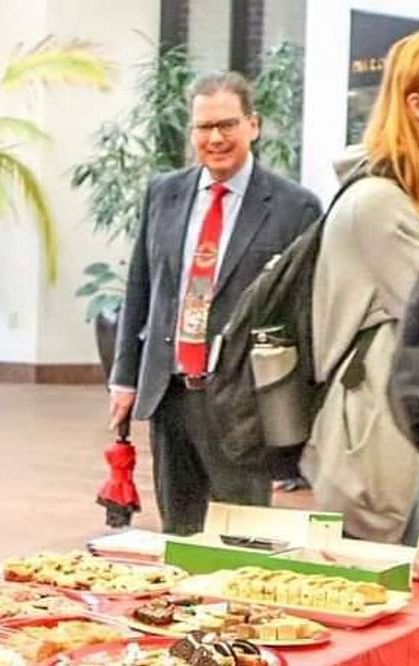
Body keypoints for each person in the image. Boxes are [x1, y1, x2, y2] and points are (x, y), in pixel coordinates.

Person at [108, 72, 323, 535]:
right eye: (204, 127)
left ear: (254, 125)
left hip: (243, 401)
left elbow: (305, 314)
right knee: (178, 531)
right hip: (170, 393)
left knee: (244, 536)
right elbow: (140, 289)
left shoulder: (295, 208)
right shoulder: (163, 193)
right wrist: (124, 379)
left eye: (227, 124)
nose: (216, 138)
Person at [302, 26, 419, 548]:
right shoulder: (380, 203)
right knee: (398, 600)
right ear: (416, 103)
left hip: (408, 431)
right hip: (372, 436)